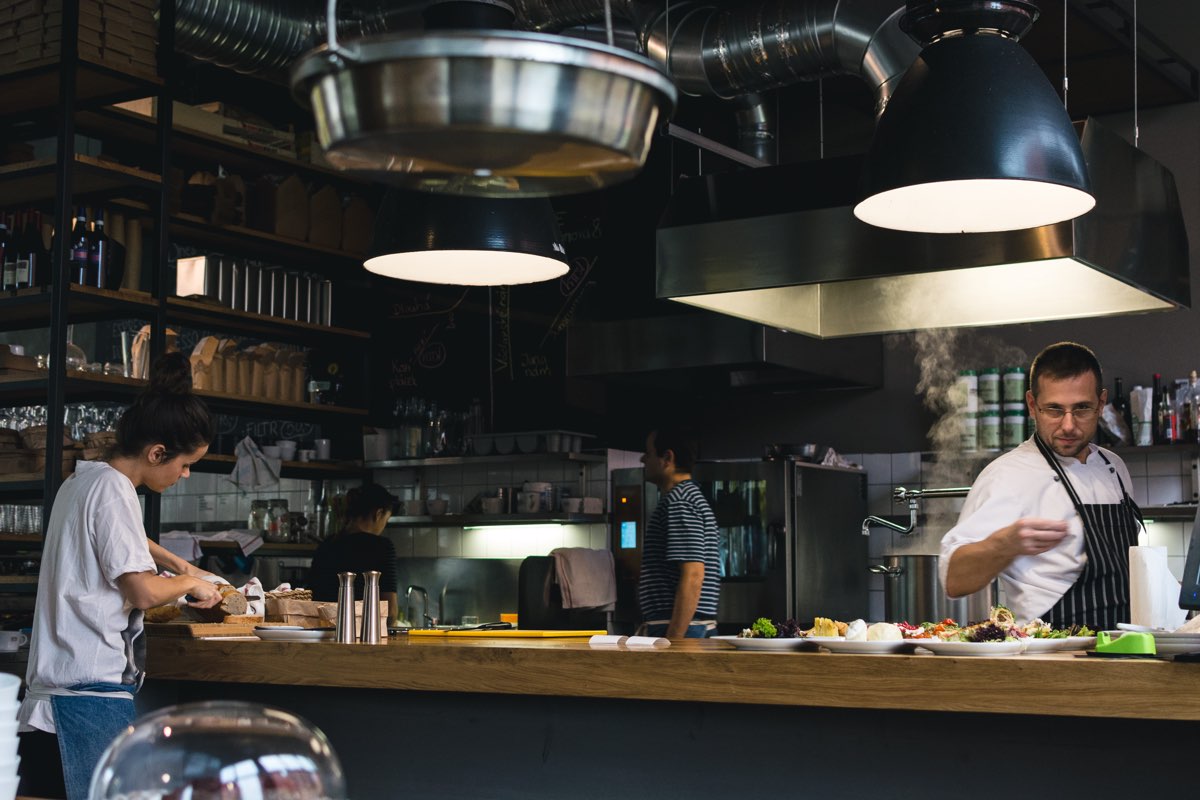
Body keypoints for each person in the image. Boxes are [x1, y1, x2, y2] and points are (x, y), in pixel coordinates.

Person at [19, 352, 225, 800]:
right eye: (184, 464)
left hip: (51, 699)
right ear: (156, 452)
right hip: (86, 701)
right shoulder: (115, 492)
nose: (186, 474)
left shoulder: (84, 480)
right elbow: (142, 591)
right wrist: (192, 584)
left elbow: (121, 537)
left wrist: (181, 565)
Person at [940, 342, 1143, 630]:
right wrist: (1004, 544)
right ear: (1032, 405)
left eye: (1082, 408)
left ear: (1101, 403)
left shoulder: (1114, 467)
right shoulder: (1007, 475)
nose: (1068, 425)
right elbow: (954, 580)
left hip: (1127, 643)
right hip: (1053, 649)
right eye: (1054, 410)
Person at [637, 426, 720, 638]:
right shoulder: (687, 497)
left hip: (680, 627)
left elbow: (693, 574)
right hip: (688, 625)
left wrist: (673, 642)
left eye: (648, 453)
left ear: (667, 458)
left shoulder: (680, 501)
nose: (642, 459)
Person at [308, 482, 399, 626]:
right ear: (378, 514)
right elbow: (390, 611)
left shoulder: (326, 545)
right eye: (385, 520)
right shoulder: (382, 547)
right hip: (366, 633)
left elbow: (313, 598)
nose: (383, 526)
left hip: (324, 631)